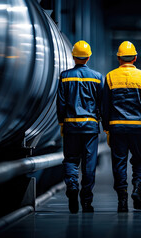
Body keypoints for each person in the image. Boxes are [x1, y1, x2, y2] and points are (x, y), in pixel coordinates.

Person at [102, 41, 141, 212]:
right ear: (135, 58)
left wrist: (106, 129)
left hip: (117, 127)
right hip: (138, 127)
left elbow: (105, 106)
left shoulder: (110, 77)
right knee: (139, 162)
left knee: (119, 163)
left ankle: (122, 199)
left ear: (118, 58)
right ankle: (138, 190)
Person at [56, 40, 104, 213]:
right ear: (89, 56)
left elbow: (61, 103)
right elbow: (102, 104)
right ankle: (86, 201)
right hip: (90, 128)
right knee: (89, 165)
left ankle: (72, 187)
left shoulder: (65, 76)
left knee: (71, 160)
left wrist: (62, 122)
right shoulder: (98, 78)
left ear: (73, 55)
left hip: (70, 126)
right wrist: (103, 124)